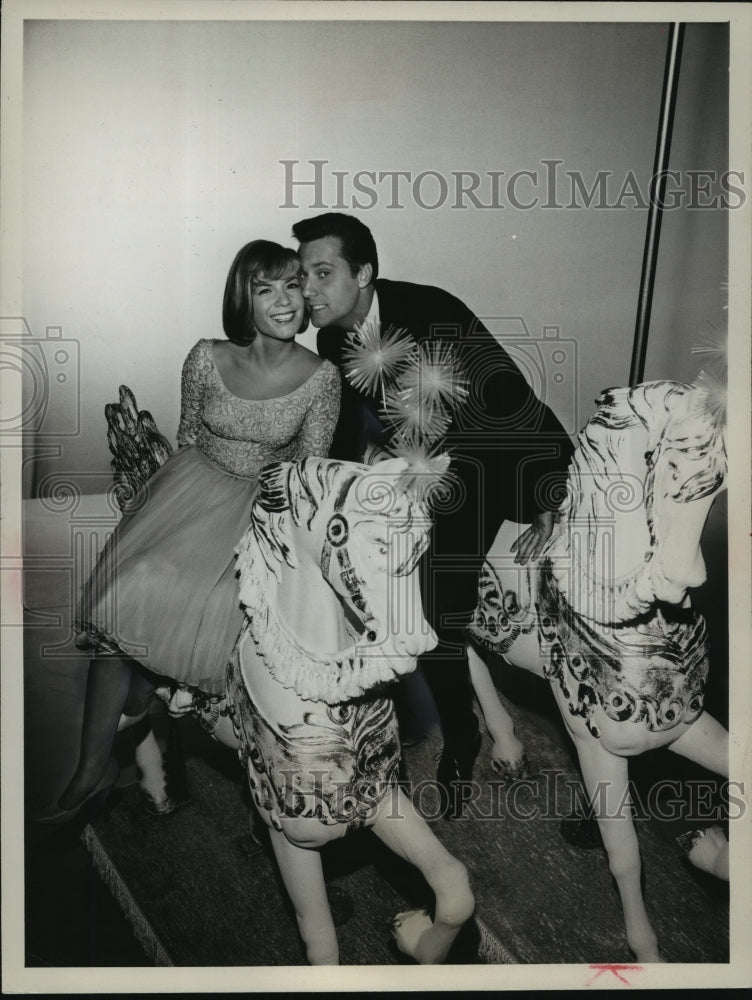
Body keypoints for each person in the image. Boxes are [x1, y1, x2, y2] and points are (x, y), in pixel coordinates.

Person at [43, 240, 341, 821]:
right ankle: (92, 768)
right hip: (189, 493)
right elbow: (185, 444)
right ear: (243, 299)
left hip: (262, 511)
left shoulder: (321, 377)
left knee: (208, 610)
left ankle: (138, 710)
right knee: (133, 586)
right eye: (265, 289)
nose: (283, 301)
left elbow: (309, 475)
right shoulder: (205, 356)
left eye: (291, 286)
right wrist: (170, 517)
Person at [293, 212, 575, 817]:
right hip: (432, 468)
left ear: (364, 273)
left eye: (322, 273)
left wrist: (549, 489)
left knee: (436, 601)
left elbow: (509, 399)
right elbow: (359, 430)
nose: (307, 290)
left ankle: (461, 736)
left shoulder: (431, 310)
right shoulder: (330, 340)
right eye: (303, 275)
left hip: (496, 460)